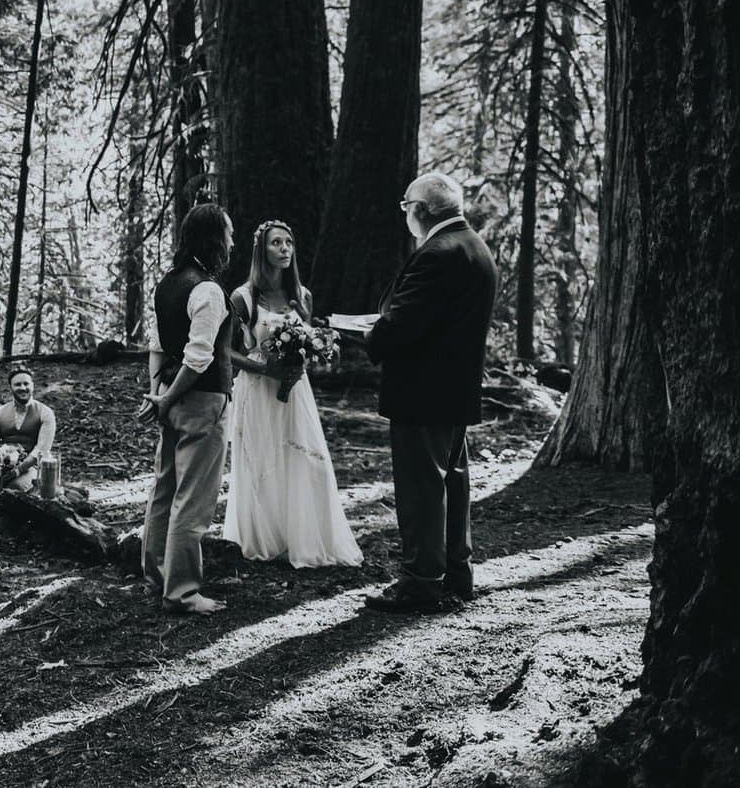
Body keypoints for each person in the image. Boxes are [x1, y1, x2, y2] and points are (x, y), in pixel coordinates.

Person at [362, 172, 497, 613]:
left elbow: (402, 325)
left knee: (421, 489)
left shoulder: (436, 254)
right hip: (455, 392)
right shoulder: (476, 248)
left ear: (423, 210)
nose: (405, 214)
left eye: (406, 206)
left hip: (422, 392)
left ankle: (420, 582)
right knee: (452, 486)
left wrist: (372, 335)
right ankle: (456, 574)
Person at [138, 203, 256, 615]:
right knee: (193, 498)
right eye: (229, 232)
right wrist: (166, 398)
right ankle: (182, 591)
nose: (233, 240)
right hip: (200, 401)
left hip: (170, 395)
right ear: (214, 238)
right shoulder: (207, 290)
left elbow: (158, 346)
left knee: (165, 488)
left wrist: (158, 393)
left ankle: (156, 574)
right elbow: (200, 356)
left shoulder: (168, 283)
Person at [222, 221, 363, 568]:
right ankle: (264, 537)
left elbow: (307, 342)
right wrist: (262, 368)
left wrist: (312, 352)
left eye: (289, 242)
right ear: (261, 251)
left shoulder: (302, 297)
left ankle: (302, 535)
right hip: (257, 390)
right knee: (262, 460)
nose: (285, 249)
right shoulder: (244, 298)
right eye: (276, 243)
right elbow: (224, 351)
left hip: (296, 391)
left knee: (303, 459)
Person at [0, 366, 58, 515]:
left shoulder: (45, 413)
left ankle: (0, 522)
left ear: (32, 385)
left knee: (13, 489)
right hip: (2, 465)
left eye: (26, 384)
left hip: (32, 468)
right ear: (11, 387)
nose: (23, 388)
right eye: (18, 384)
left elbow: (42, 450)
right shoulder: (0, 412)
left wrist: (19, 469)